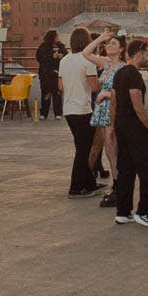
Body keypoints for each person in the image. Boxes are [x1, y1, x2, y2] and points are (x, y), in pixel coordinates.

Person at [111, 39, 148, 228]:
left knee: (126, 168)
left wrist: (113, 127)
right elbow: (138, 106)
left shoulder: (119, 73)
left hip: (121, 125)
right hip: (134, 127)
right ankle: (144, 212)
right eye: (147, 55)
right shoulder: (133, 74)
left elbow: (113, 102)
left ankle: (123, 212)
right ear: (139, 53)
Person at [59, 29, 104, 197]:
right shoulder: (88, 60)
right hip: (83, 109)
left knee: (81, 147)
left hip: (68, 109)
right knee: (83, 150)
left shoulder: (64, 60)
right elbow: (95, 87)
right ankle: (76, 188)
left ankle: (90, 184)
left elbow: (60, 86)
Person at [88, 32, 126, 208]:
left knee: (113, 150)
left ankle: (119, 187)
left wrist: (106, 94)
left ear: (121, 49)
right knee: (110, 151)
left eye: (113, 43)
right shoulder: (106, 63)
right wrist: (100, 38)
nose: (109, 46)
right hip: (102, 112)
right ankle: (117, 185)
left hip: (113, 112)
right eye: (108, 43)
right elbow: (86, 53)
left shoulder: (123, 68)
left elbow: (124, 93)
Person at [36, 30, 62, 120]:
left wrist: (61, 56)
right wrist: (51, 56)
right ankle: (44, 113)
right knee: (45, 93)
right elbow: (39, 58)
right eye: (56, 36)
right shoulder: (43, 47)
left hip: (57, 73)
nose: (58, 38)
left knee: (57, 94)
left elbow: (66, 55)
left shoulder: (61, 46)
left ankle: (58, 113)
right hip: (45, 74)